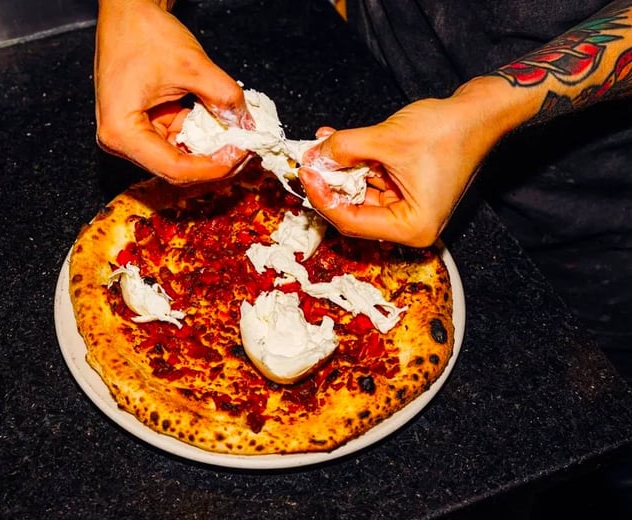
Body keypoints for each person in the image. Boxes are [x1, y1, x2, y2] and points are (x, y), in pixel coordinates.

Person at [94, 0, 632, 514]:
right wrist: (133, 10)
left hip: (589, 196)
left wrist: (488, 110)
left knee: (568, 435)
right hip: (377, 68)